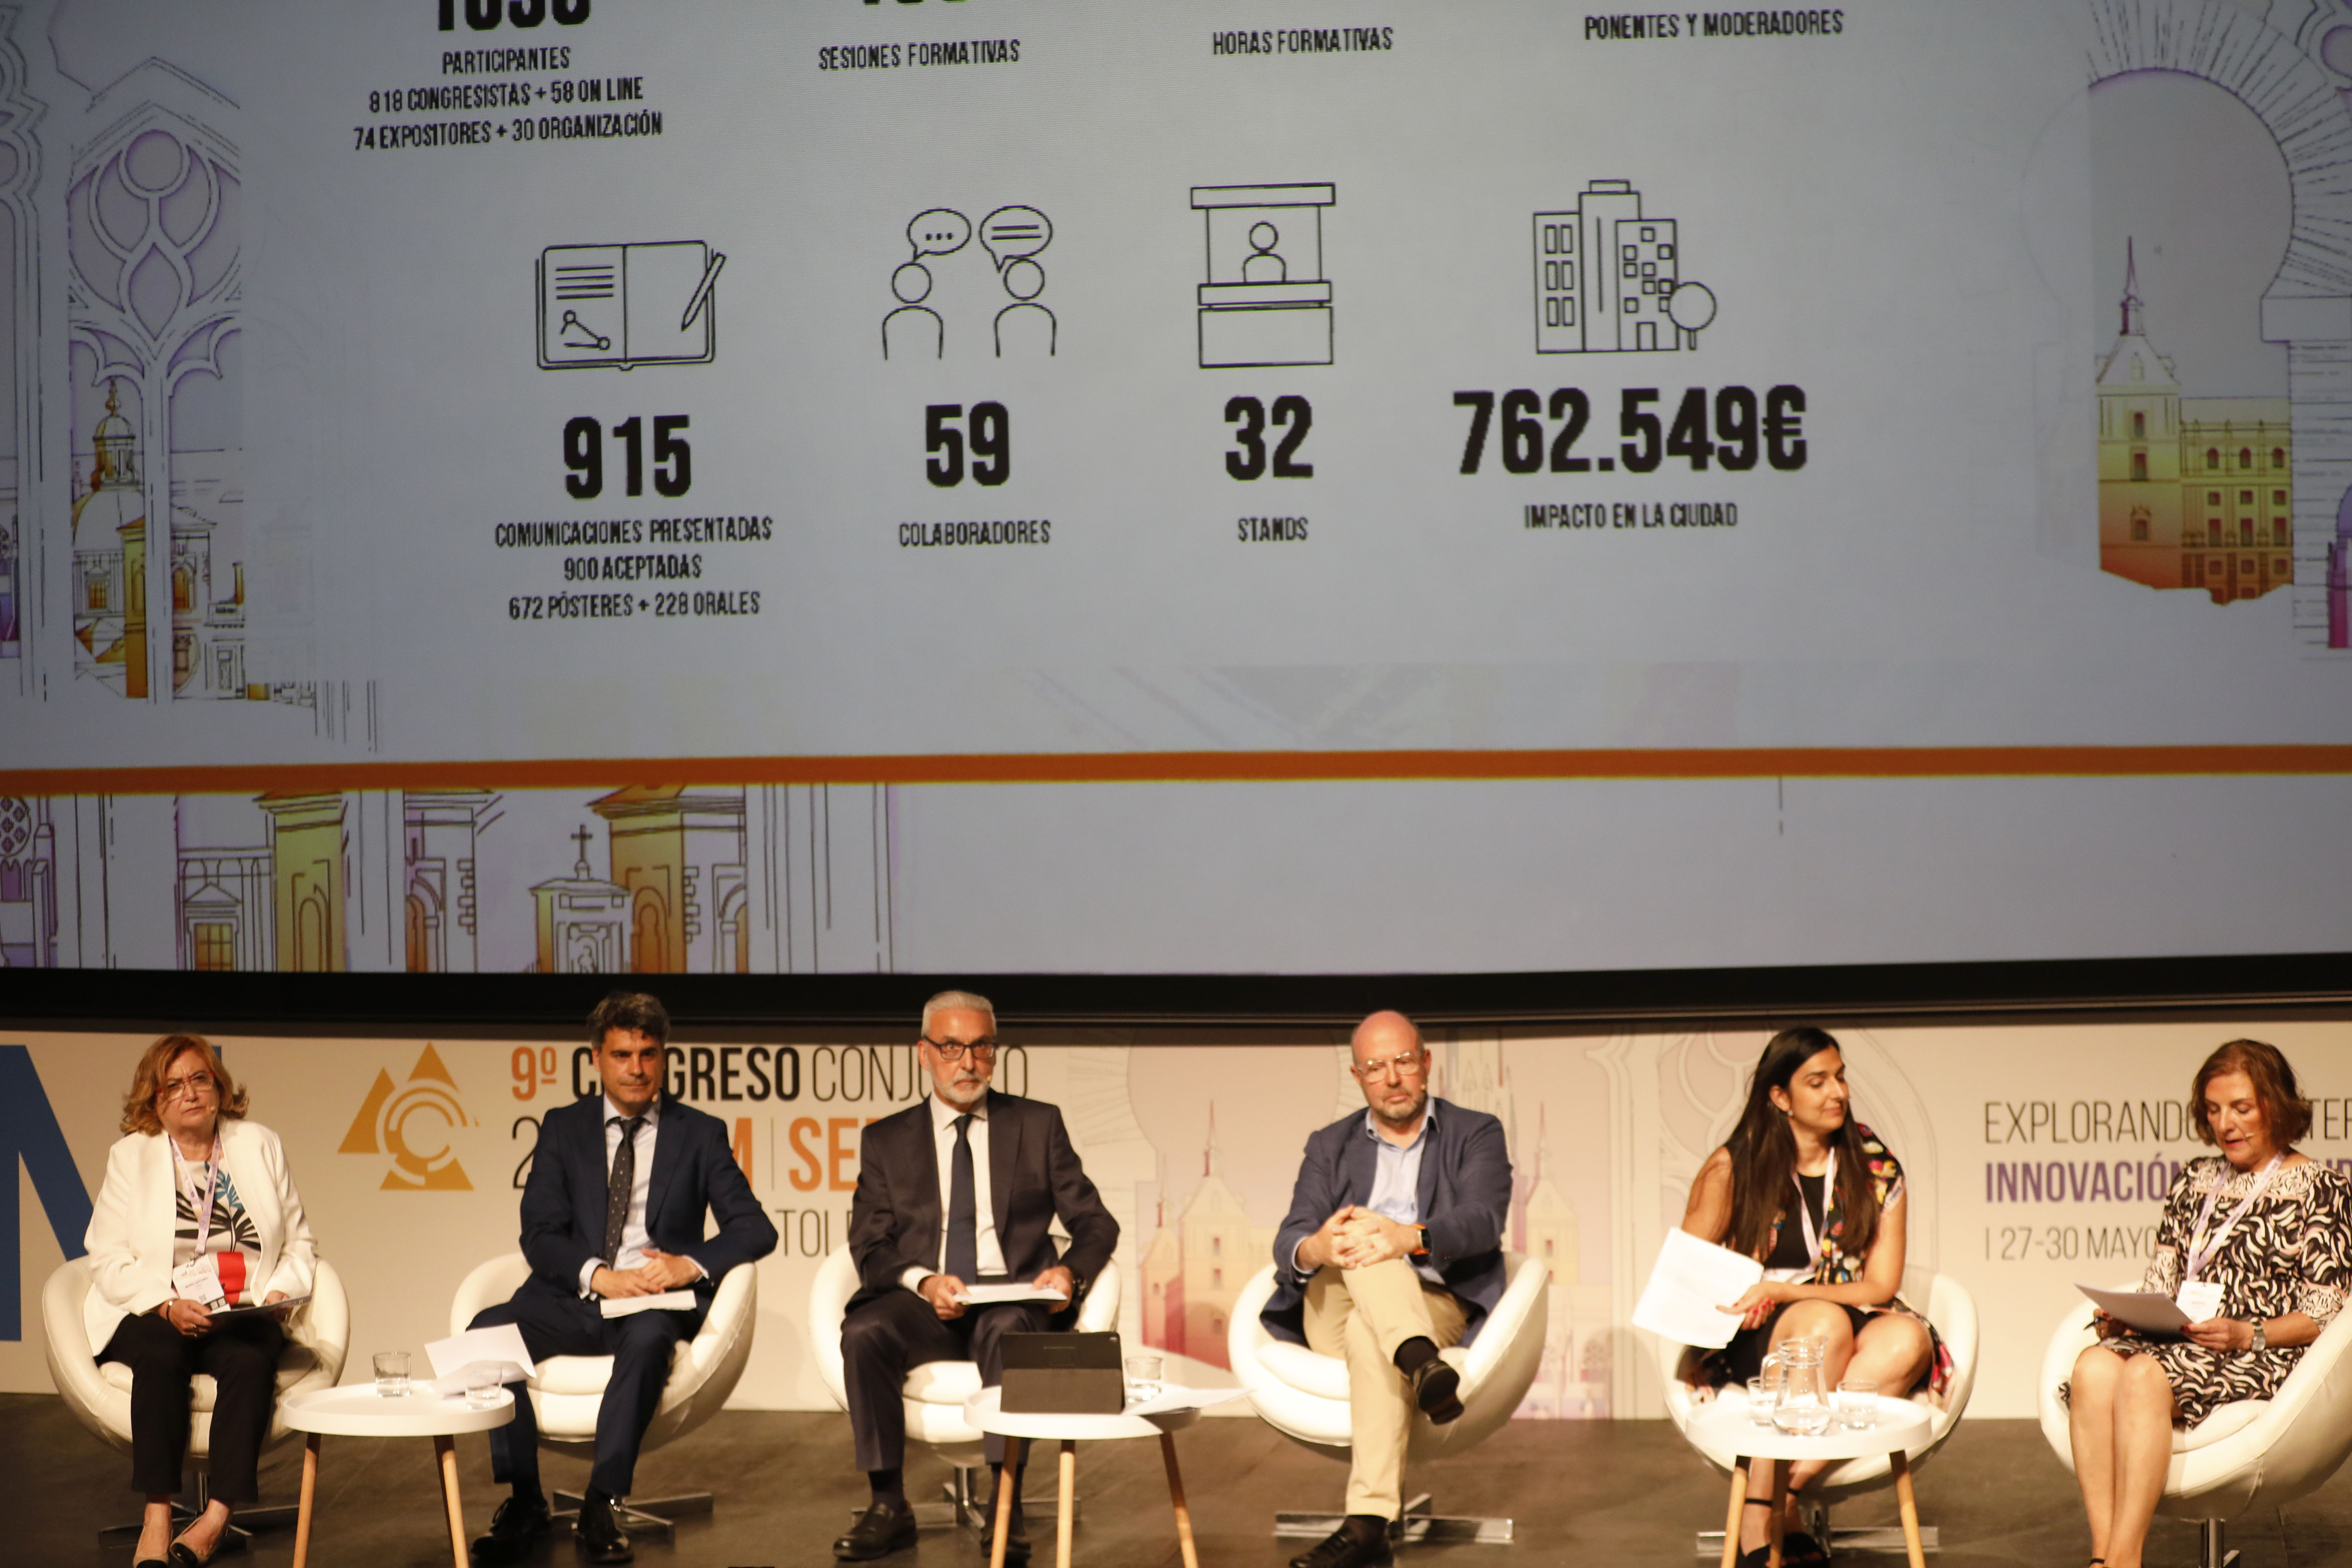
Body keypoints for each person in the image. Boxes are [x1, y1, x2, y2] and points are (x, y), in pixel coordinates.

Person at [465, 992, 776, 1567]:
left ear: (664, 1058)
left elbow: (755, 1228)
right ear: (596, 1059)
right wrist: (598, 1275)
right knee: (485, 1333)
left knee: (651, 1340)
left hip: (653, 1302)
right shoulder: (563, 1128)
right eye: (622, 1055)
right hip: (576, 1296)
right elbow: (539, 1232)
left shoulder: (699, 1133)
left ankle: (602, 1503)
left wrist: (688, 1265)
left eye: (648, 1054)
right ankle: (525, 1500)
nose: (636, 1068)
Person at [833, 990, 1119, 1564]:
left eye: (981, 1047)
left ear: (994, 1052)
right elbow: (869, 1244)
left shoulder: (1037, 1124)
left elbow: (1095, 1223)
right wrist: (923, 1282)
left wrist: (1070, 1273)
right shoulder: (886, 1140)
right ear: (923, 1053)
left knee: (1006, 1329)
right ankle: (888, 1504)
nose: (967, 1062)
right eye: (951, 1047)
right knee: (865, 1332)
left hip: (1012, 1297)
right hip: (928, 1302)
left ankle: (1004, 1503)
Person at [2065, 1039, 2352, 1568]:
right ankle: (2103, 1557)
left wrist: (2248, 1334)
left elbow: (2324, 1315)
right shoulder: (2194, 1179)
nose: (2226, 1125)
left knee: (2142, 1377)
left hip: (2259, 1351)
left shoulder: (2322, 1189)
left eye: (2241, 1109)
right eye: (2214, 1110)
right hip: (2183, 1340)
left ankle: (2126, 1559)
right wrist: (2128, 1318)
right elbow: (2162, 1277)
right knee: (2091, 1368)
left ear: (2276, 1107)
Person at [1676, 1026, 1948, 1568]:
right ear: (1780, 1097)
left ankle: (1776, 1501)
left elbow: (1880, 1286)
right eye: (1818, 1082)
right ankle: (1767, 1515)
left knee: (1907, 1340)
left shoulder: (1875, 1166)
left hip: (1846, 1311)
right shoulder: (1733, 1167)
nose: (1837, 1093)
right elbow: (1688, 1274)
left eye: (1840, 1078)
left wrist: (1784, 1287)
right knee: (1822, 1325)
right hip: (1759, 1331)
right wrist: (1746, 1296)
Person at [1262, 1011, 1514, 1568]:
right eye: (1375, 1067)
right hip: (1335, 1302)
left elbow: (1482, 1220)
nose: (1392, 1078)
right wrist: (1318, 1248)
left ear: (1426, 1063)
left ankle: (1368, 1525)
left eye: (1403, 1061)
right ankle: (1421, 1363)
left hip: (1432, 1301)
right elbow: (1291, 1237)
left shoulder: (1475, 1132)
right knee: (1357, 1232)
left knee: (1369, 1327)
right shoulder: (1329, 1144)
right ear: (1358, 1077)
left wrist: (1408, 1237)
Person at [84, 1034, 317, 1568]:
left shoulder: (258, 1144)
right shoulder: (132, 1156)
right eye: (173, 1086)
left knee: (250, 1362)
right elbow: (106, 1256)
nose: (189, 1093)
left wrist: (281, 1289)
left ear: (219, 1087)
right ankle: (158, 1516)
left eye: (199, 1080)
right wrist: (166, 1306)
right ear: (154, 1100)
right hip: (156, 1308)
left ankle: (215, 1517)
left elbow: (300, 1242)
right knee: (160, 1355)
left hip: (240, 1309)